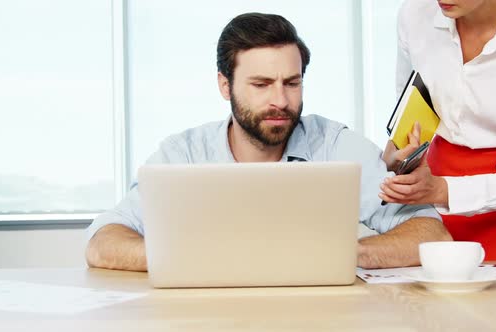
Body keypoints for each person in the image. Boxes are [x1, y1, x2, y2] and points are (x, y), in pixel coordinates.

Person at [86, 12, 451, 272]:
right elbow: (103, 242)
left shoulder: (336, 146)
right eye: (261, 85)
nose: (280, 100)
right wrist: (193, 259)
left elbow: (431, 233)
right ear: (224, 85)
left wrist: (341, 254)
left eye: (292, 83)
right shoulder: (183, 153)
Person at [381, 0, 496, 260]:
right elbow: (410, 107)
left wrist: (438, 190)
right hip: (433, 187)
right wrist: (398, 157)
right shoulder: (415, 16)